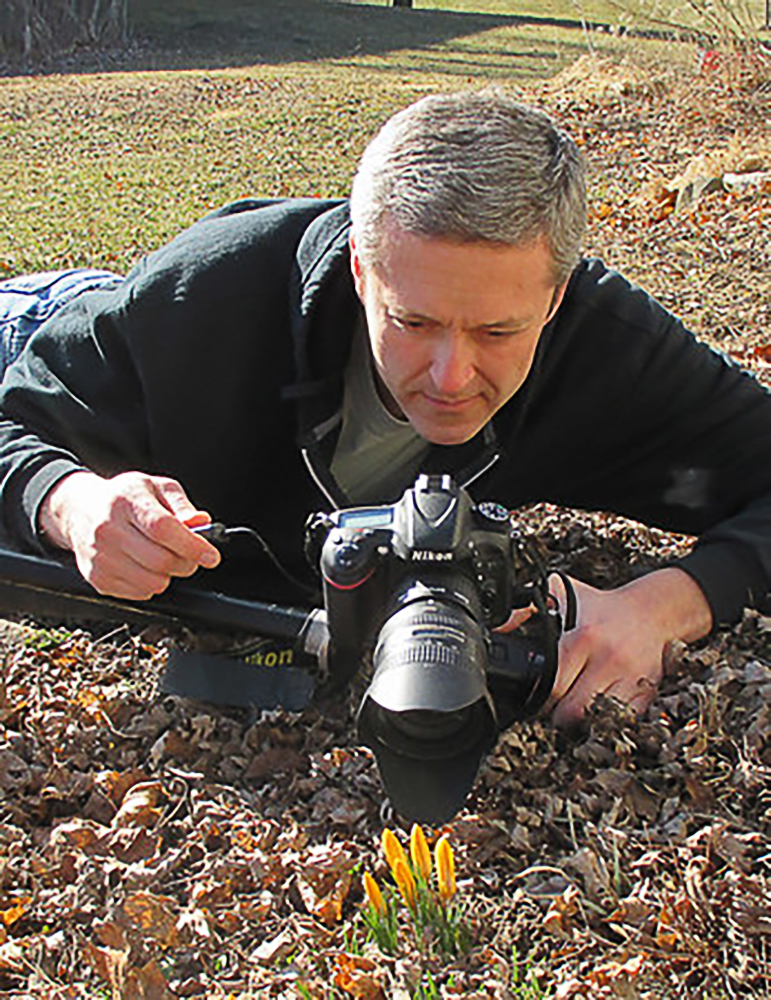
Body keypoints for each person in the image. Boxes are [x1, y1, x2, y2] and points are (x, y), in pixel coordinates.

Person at [0, 91, 769, 729]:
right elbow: (15, 421)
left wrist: (667, 604)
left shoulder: (606, 347)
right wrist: (70, 503)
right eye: (413, 321)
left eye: (498, 331)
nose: (450, 375)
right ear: (362, 273)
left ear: (555, 298)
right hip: (48, 319)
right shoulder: (205, 297)